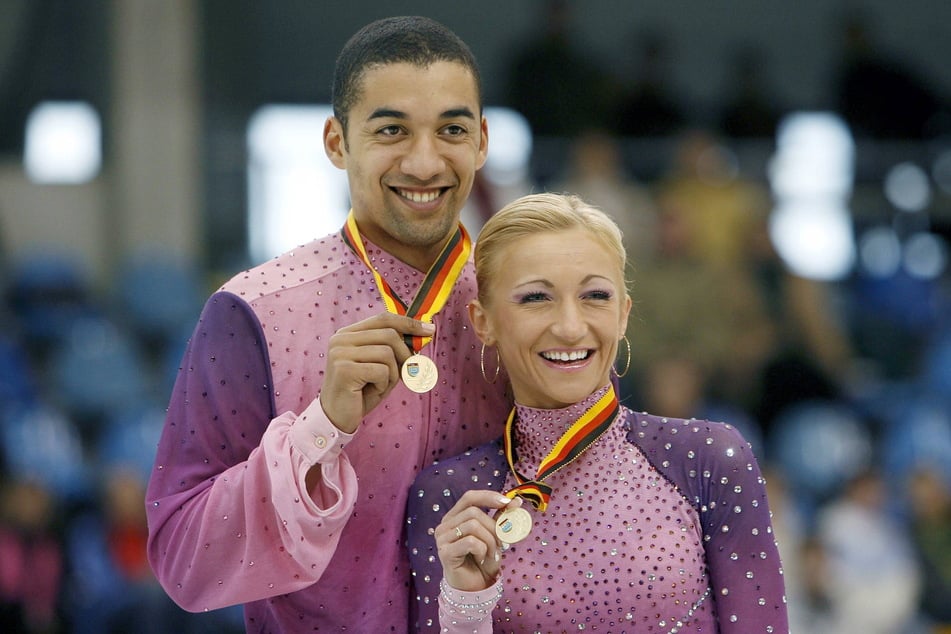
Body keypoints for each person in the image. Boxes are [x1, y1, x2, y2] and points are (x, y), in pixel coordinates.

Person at [145, 16, 511, 632]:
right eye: (391, 129)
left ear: (481, 141)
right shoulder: (252, 312)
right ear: (336, 142)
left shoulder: (523, 309)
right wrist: (322, 427)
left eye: (450, 129)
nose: (424, 162)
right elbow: (184, 559)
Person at [407, 193, 789, 633]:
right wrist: (467, 609)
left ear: (623, 313)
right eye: (535, 298)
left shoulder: (707, 457)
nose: (570, 327)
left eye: (595, 295)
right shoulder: (450, 497)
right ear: (483, 321)